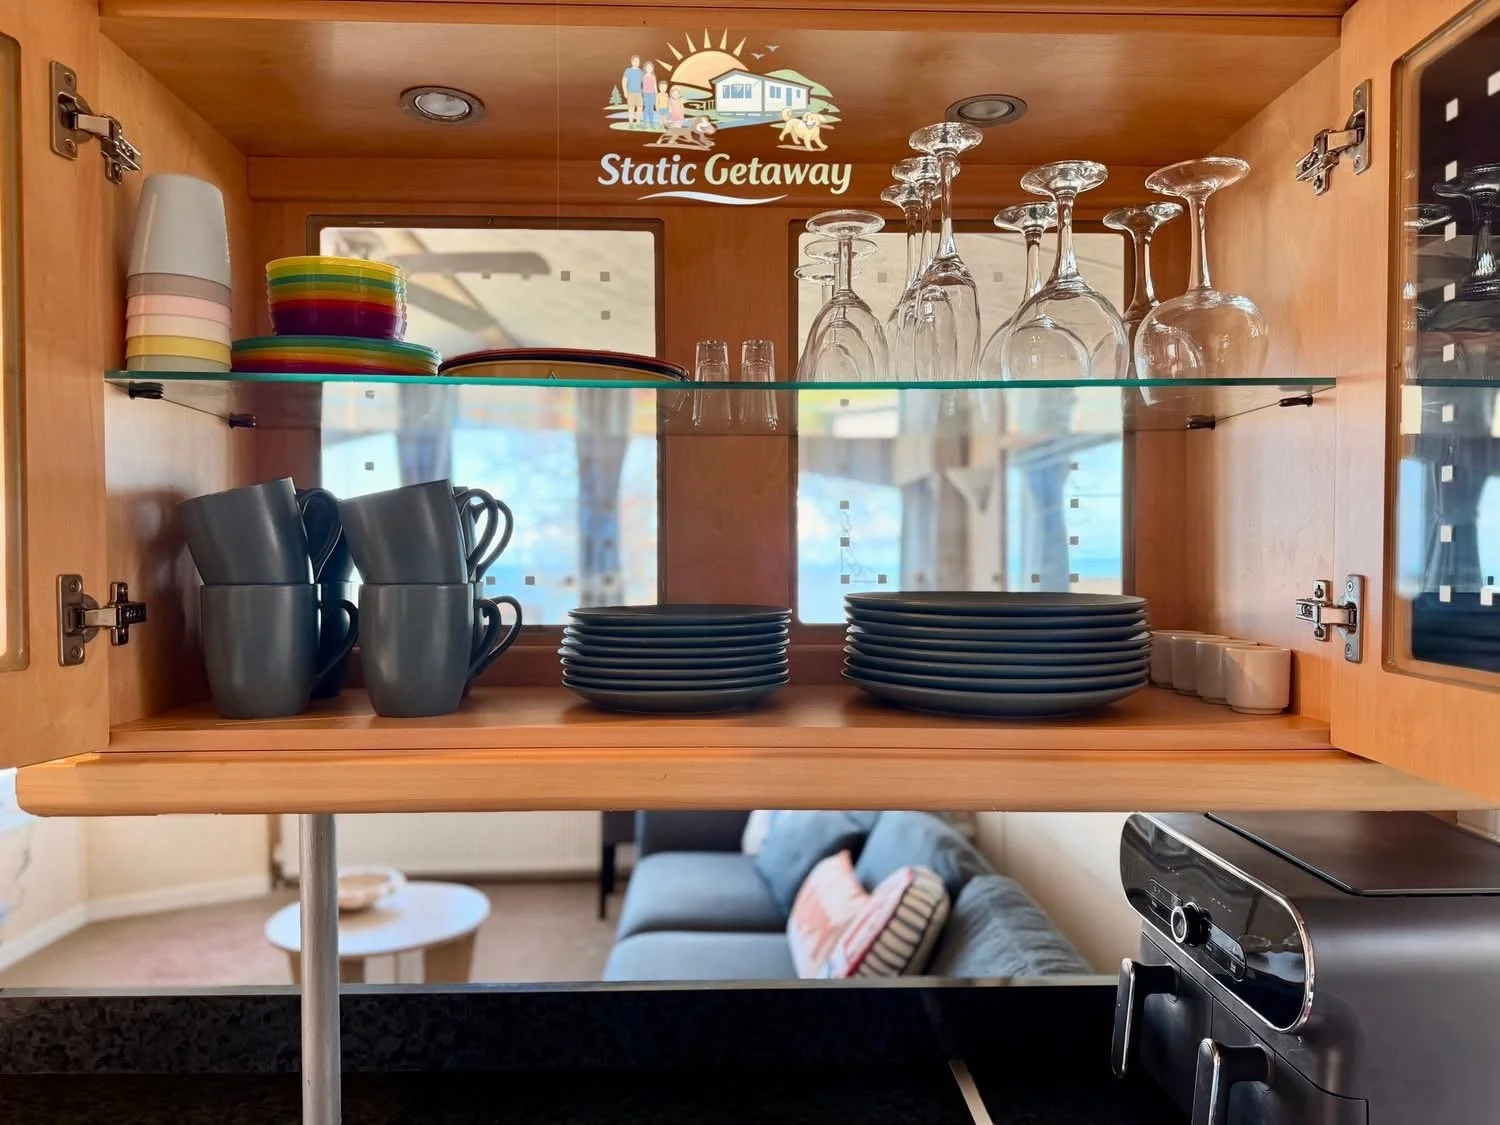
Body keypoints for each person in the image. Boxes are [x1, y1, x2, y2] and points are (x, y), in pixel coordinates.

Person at [621, 55, 644, 125]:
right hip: (630, 93)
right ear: (632, 62)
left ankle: (638, 122)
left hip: (639, 93)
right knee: (631, 108)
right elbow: (624, 81)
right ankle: (631, 123)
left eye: (638, 61)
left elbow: (644, 82)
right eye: (635, 61)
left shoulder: (640, 71)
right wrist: (625, 92)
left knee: (640, 107)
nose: (637, 62)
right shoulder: (628, 71)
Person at [641, 61, 658, 127]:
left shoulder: (653, 76)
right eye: (648, 67)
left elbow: (655, 86)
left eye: (650, 67)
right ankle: (645, 123)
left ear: (652, 68)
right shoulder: (643, 76)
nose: (649, 68)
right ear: (645, 68)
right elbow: (642, 86)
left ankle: (651, 122)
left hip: (652, 95)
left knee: (651, 109)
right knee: (646, 108)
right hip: (646, 94)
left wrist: (656, 95)